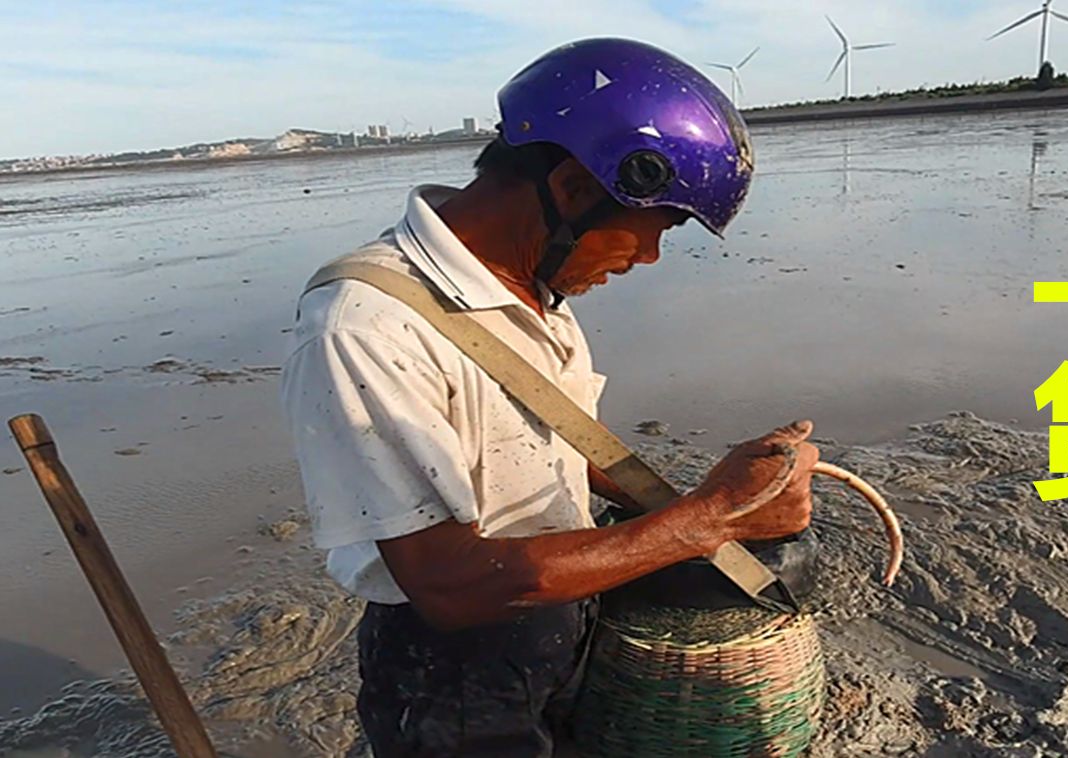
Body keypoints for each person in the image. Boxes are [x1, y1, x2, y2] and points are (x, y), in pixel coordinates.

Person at [280, 37, 818, 757]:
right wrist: (706, 518)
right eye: (654, 229)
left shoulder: (528, 285)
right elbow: (447, 586)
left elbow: (556, 433)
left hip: (561, 600)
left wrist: (684, 503)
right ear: (570, 188)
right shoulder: (367, 325)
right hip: (454, 665)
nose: (649, 259)